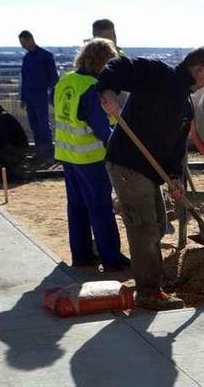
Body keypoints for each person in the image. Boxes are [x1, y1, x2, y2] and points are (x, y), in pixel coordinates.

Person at [97, 47, 204, 310]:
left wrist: (174, 177)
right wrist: (107, 91)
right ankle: (148, 293)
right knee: (144, 228)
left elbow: (175, 148)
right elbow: (118, 66)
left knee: (158, 224)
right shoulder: (157, 73)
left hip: (149, 171)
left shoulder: (186, 105)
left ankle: (153, 286)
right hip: (128, 164)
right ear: (198, 69)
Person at [54, 38, 129, 270]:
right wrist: (120, 149)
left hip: (68, 154)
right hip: (90, 158)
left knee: (77, 207)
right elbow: (100, 128)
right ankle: (111, 259)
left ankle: (82, 255)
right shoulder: (91, 88)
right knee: (100, 208)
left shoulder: (66, 80)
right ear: (102, 62)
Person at [18, 30, 58, 164]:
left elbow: (53, 77)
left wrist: (52, 93)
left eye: (24, 43)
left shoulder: (45, 56)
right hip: (29, 96)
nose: (23, 46)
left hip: (41, 95)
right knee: (34, 125)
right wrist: (23, 97)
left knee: (43, 125)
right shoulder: (27, 58)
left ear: (30, 40)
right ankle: (39, 152)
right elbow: (24, 78)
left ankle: (48, 153)